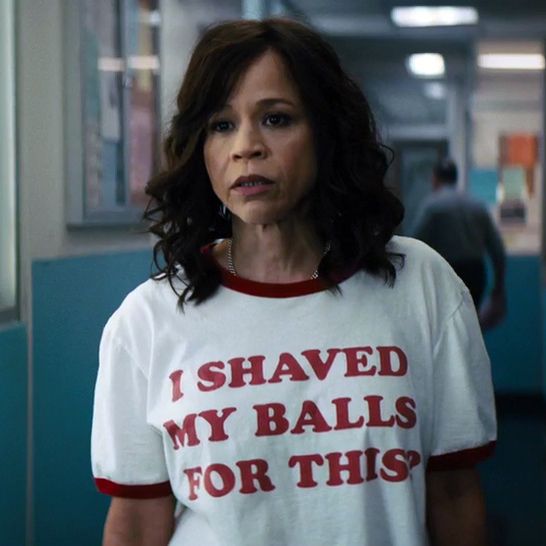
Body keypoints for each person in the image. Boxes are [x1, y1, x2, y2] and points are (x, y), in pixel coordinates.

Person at [91, 18, 496, 546]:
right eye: (221, 125)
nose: (246, 146)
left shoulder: (422, 286)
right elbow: (136, 524)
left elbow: (455, 496)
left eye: (276, 118)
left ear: (326, 134)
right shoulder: (146, 321)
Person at [412, 158, 506, 330]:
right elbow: (497, 249)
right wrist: (498, 286)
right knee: (470, 325)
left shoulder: (432, 206)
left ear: (435, 178)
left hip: (445, 272)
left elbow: (416, 242)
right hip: (475, 273)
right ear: (455, 178)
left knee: (446, 326)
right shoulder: (477, 206)